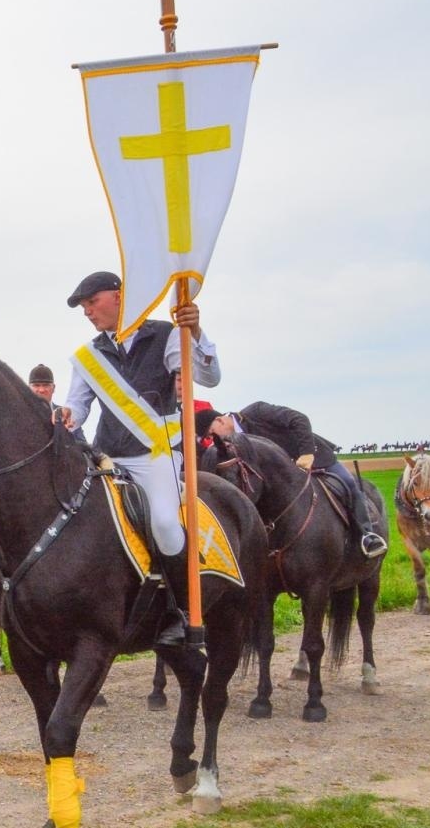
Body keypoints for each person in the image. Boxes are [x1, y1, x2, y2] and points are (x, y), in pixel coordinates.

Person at [61, 271, 219, 648]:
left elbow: (209, 376)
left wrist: (195, 333)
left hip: (155, 455)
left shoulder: (166, 335)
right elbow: (77, 408)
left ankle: (180, 612)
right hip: (108, 459)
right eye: (83, 307)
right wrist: (66, 416)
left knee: (165, 524)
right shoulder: (88, 356)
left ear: (118, 296)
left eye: (91, 303)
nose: (86, 312)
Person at [196, 403, 387, 557]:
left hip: (315, 461)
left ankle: (367, 535)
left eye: (212, 434)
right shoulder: (235, 447)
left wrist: (306, 454)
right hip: (286, 482)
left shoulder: (256, 412)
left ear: (220, 420)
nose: (213, 440)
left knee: (349, 485)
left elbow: (299, 419)